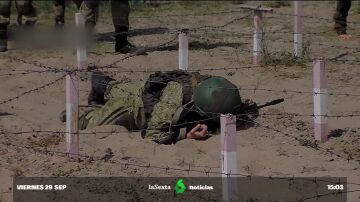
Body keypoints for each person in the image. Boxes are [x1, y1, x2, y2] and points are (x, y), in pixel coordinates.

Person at [60, 70, 283, 144]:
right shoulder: (173, 105)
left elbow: (236, 105)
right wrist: (186, 134)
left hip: (148, 91)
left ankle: (105, 85)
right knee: (85, 121)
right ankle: (94, 99)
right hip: (139, 107)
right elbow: (152, 134)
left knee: (120, 88)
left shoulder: (212, 87)